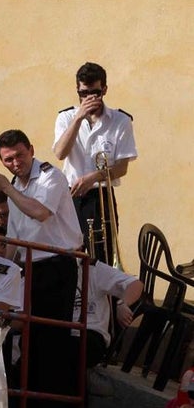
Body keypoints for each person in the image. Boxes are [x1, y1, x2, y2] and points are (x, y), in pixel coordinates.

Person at [0, 128, 83, 408]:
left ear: (30, 149)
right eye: (7, 159)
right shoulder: (16, 185)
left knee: (51, 340)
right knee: (28, 340)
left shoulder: (49, 177)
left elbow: (40, 213)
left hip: (57, 265)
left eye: (18, 155)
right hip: (31, 267)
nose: (15, 163)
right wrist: (2, 267)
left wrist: (6, 188)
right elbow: (15, 238)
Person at [53, 61, 137, 264]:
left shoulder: (120, 121)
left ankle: (103, 295)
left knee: (102, 257)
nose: (89, 98)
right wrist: (78, 119)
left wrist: (94, 177)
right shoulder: (66, 117)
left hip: (102, 198)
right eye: (83, 93)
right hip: (72, 197)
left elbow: (122, 168)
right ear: (77, 90)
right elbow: (60, 153)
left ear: (104, 90)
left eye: (95, 93)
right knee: (73, 254)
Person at [73, 256, 143, 367]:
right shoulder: (44, 267)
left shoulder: (92, 268)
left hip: (90, 334)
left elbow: (135, 284)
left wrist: (122, 304)